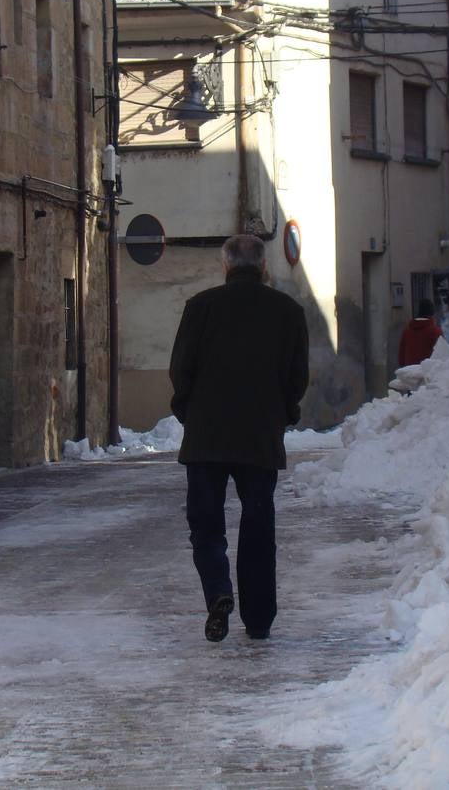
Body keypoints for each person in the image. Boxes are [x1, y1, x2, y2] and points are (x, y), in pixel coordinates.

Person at [169, 234, 309, 643]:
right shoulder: (288, 311)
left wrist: (189, 412)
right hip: (260, 437)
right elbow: (297, 376)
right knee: (258, 526)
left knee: (206, 524)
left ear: (226, 266)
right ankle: (260, 619)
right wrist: (283, 414)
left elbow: (181, 370)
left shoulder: (200, 307)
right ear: (264, 266)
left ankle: (218, 592)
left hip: (207, 437)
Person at [398, 299, 442, 367]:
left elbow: (401, 358)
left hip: (409, 373)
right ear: (432, 314)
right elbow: (442, 356)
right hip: (428, 374)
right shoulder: (435, 332)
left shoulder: (407, 332)